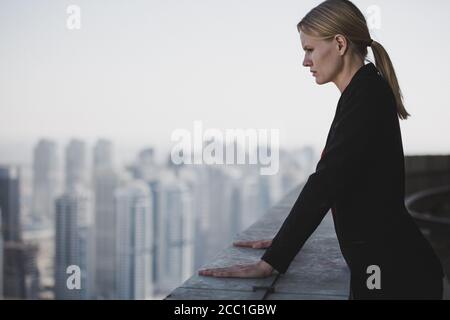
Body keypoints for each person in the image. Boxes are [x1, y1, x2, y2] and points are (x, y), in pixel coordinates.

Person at [198, 0, 445, 299]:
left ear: (339, 43)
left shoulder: (366, 96)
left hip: (391, 275)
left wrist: (273, 260)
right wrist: (281, 241)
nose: (305, 61)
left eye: (309, 49)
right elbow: (339, 178)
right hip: (388, 267)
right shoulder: (363, 91)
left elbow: (326, 181)